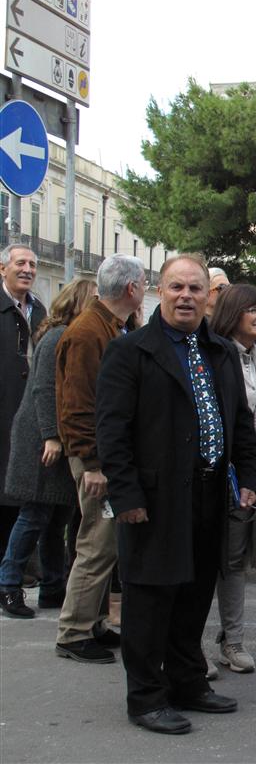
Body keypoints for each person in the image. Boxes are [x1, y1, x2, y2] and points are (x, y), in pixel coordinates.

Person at [95, 254, 256, 735]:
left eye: (195, 288)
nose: (186, 296)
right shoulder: (130, 351)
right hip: (153, 498)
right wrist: (127, 496)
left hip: (208, 494)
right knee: (150, 602)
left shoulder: (221, 352)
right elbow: (112, 431)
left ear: (208, 296)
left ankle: (188, 681)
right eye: (176, 287)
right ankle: (146, 698)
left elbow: (240, 423)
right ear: (158, 292)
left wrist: (248, 477)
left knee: (194, 594)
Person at [54, 254, 146, 664]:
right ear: (131, 288)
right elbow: (78, 405)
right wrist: (92, 464)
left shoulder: (107, 327)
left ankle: (91, 624)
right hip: (95, 458)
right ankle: (74, 632)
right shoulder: (89, 332)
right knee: (96, 543)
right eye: (143, 283)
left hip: (102, 455)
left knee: (103, 544)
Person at [0, 279, 95, 618]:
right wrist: (51, 436)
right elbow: (43, 389)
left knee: (57, 517)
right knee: (35, 514)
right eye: (93, 300)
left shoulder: (69, 335)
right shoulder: (58, 337)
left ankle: (53, 588)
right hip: (41, 440)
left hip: (56, 439)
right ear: (78, 303)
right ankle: (8, 585)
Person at [207, 284, 256, 673]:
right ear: (232, 313)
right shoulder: (213, 353)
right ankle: (187, 647)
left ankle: (232, 641)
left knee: (234, 559)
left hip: (248, 473)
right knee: (203, 558)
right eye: (252, 309)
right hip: (211, 473)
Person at [1, 244, 47, 557]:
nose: (27, 270)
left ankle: (18, 565)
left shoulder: (39, 310)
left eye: (32, 264)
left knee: (20, 491)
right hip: (4, 407)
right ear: (3, 268)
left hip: (28, 414)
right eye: (20, 263)